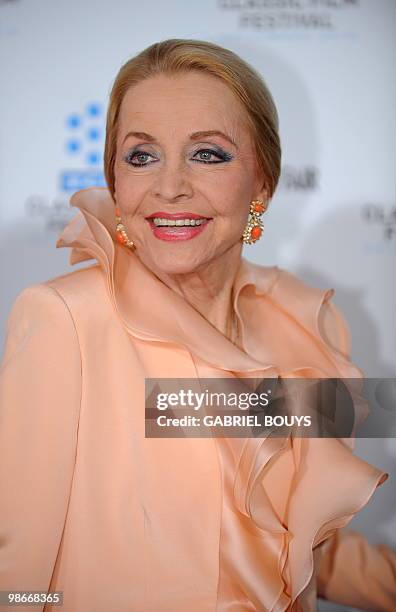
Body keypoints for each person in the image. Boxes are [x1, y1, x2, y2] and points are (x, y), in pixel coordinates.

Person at [0, 38, 395, 612]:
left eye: (208, 154)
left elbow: (300, 542)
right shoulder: (65, 321)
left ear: (263, 182)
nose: (169, 186)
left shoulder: (308, 324)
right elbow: (16, 576)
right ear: (114, 179)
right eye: (142, 156)